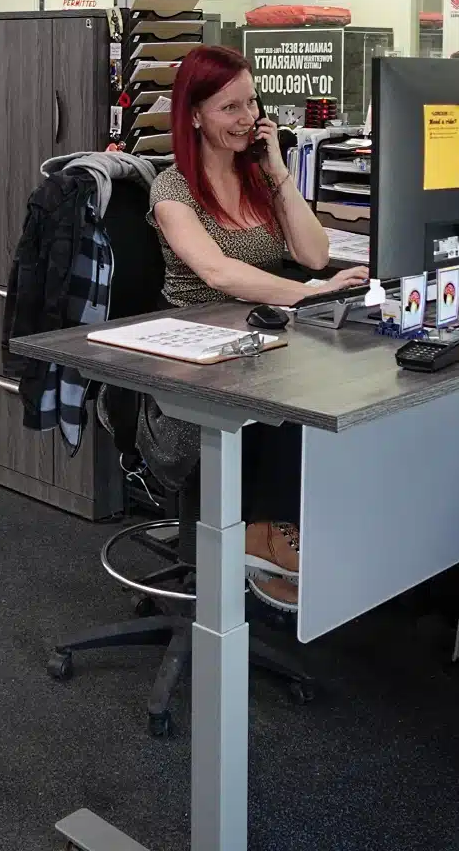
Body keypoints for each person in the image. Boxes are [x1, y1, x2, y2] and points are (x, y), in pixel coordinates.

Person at [149, 44, 371, 610]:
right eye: (230, 108)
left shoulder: (258, 182)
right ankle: (265, 536)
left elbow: (315, 253)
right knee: (289, 394)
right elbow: (217, 271)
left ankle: (283, 525)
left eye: (252, 103)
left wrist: (278, 175)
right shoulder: (172, 190)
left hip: (267, 332)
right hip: (194, 356)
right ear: (194, 115)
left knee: (345, 383)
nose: (248, 118)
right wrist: (309, 295)